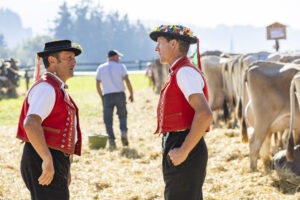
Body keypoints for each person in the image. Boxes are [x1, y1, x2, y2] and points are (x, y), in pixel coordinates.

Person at [149, 25, 213, 200]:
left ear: (173, 44)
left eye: (160, 43)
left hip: (184, 143)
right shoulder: (179, 71)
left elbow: (205, 113)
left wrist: (184, 150)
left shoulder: (184, 72)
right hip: (181, 142)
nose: (156, 48)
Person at [17, 40, 83, 200]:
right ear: (52, 61)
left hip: (50, 157)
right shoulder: (47, 88)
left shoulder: (54, 87)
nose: (74, 62)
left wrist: (64, 167)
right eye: (68, 57)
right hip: (42, 156)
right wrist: (47, 160)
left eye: (73, 58)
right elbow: (31, 123)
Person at [96, 49, 134, 149]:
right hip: (120, 95)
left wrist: (101, 96)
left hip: (107, 96)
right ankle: (123, 134)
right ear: (112, 57)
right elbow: (127, 80)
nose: (119, 59)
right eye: (118, 57)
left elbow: (97, 83)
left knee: (108, 120)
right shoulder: (121, 67)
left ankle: (111, 140)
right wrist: (131, 93)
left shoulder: (101, 67)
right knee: (122, 116)